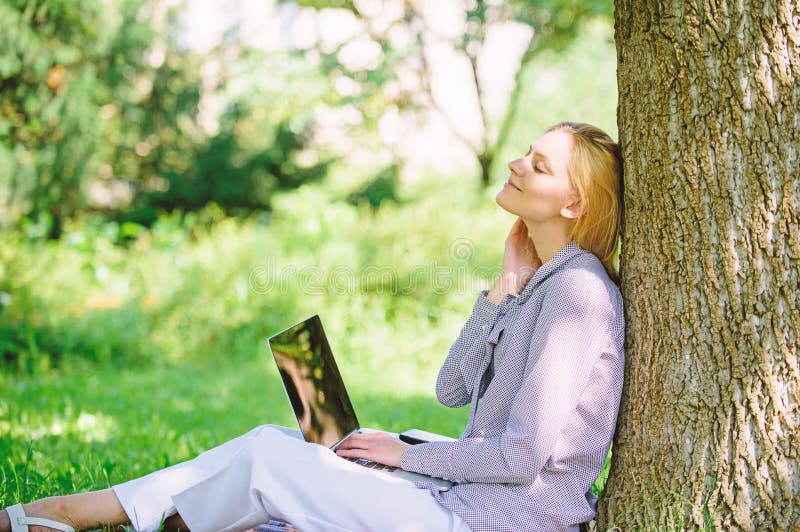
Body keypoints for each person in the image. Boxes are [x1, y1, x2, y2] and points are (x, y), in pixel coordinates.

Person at [1, 121, 625, 532]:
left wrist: (407, 453)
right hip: (460, 504)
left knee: (273, 459)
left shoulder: (577, 293)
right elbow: (451, 389)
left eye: (538, 165)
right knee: (281, 438)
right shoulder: (535, 283)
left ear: (573, 205)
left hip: (492, 522)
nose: (517, 163)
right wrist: (501, 288)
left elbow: (520, 457)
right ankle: (77, 516)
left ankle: (117, 518)